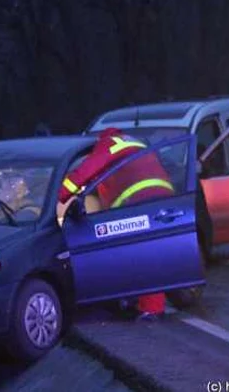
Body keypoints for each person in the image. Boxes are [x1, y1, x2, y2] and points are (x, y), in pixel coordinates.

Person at [58, 127, 175, 321]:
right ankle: (149, 305)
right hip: (164, 199)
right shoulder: (132, 142)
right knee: (152, 254)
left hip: (139, 202)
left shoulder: (108, 144)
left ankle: (150, 310)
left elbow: (84, 173)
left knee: (141, 255)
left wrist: (59, 195)